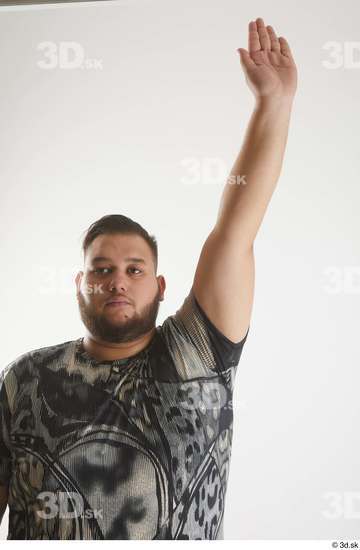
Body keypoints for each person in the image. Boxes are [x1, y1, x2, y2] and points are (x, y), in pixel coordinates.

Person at [0, 17, 297, 539]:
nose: (118, 280)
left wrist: (273, 104)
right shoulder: (25, 378)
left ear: (161, 287)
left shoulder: (193, 357)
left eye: (135, 269)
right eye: (103, 269)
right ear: (79, 284)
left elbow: (234, 231)